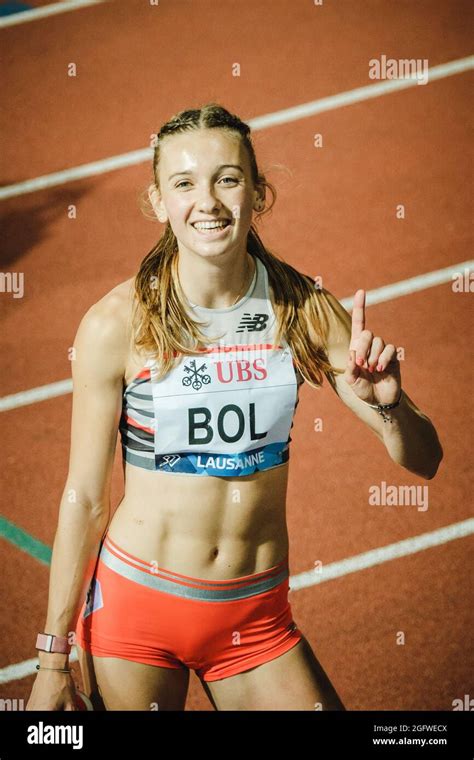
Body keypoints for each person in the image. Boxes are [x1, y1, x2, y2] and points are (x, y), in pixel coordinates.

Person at [26, 103, 443, 712]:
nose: (209, 202)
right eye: (185, 183)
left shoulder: (302, 310)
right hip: (135, 614)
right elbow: (85, 499)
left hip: (256, 621)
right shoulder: (115, 325)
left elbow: (426, 461)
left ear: (258, 190)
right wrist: (51, 661)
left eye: (227, 178)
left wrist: (390, 405)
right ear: (158, 201)